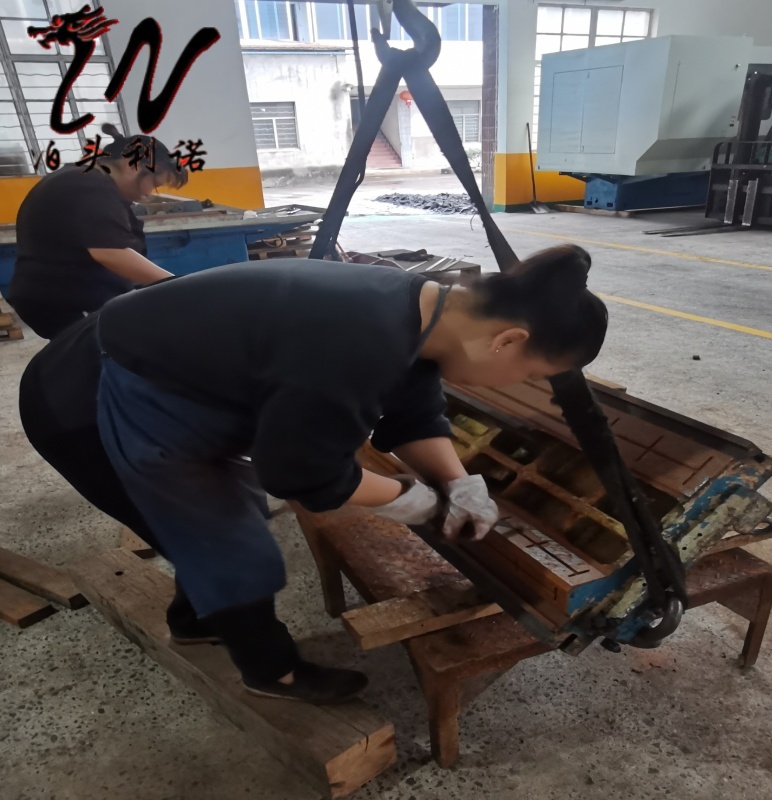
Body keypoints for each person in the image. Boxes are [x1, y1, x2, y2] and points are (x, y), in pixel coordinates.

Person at [18, 245, 608, 704]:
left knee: (224, 523)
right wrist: (419, 503)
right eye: (530, 373)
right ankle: (271, 671)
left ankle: (199, 617)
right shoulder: (357, 340)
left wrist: (459, 483)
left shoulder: (426, 308)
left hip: (161, 374)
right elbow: (303, 474)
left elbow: (411, 412)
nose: (520, 386)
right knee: (226, 541)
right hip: (85, 399)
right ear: (507, 341)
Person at [8, 123, 188, 340]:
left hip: (56, 295)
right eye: (154, 183)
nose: (150, 193)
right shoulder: (91, 185)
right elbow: (111, 252)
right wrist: (180, 287)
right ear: (132, 165)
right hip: (63, 300)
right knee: (107, 352)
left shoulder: (85, 178)